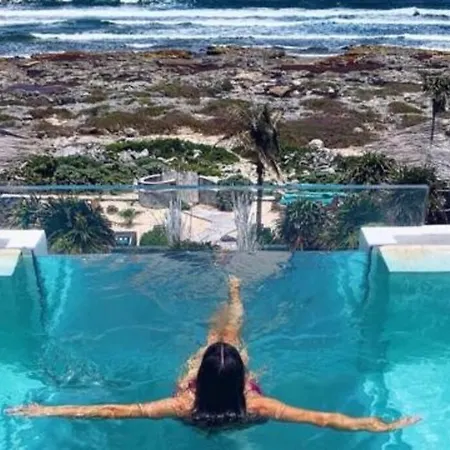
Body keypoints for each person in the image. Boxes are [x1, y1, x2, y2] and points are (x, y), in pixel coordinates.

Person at [7, 276, 420, 433]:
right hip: (240, 420)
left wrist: (46, 411)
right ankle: (235, 294)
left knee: (215, 338)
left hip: (197, 421)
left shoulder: (181, 403)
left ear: (199, 379)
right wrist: (378, 425)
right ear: (243, 380)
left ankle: (230, 302)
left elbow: (113, 411)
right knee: (230, 337)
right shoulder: (258, 404)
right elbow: (322, 419)